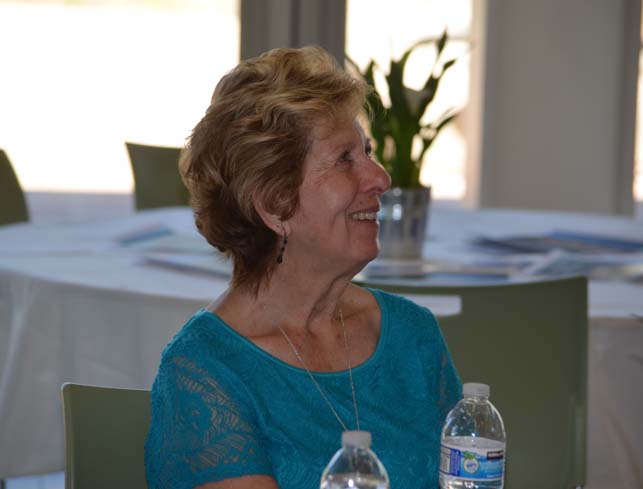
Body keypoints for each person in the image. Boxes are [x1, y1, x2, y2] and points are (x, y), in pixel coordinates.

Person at [145, 46, 462, 489]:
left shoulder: (412, 335)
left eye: (366, 151)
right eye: (345, 159)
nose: (381, 178)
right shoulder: (206, 374)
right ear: (276, 205)